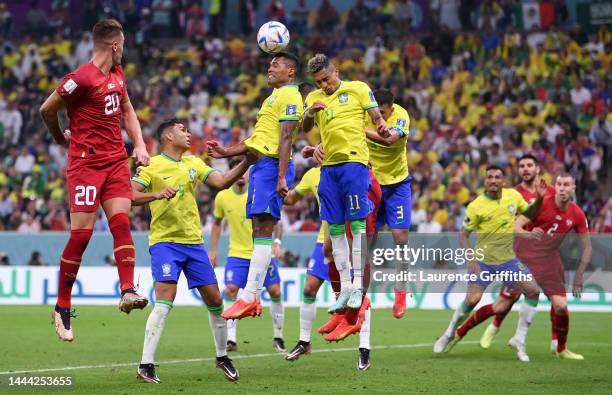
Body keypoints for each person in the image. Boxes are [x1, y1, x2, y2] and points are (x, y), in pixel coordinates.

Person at [40, 19, 150, 342]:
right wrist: (62, 140)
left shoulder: (118, 74)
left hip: (115, 162)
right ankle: (61, 305)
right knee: (82, 235)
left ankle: (128, 290)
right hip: (85, 166)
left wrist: (140, 143)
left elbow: (127, 110)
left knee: (121, 222)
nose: (124, 52)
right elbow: (47, 109)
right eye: (123, 46)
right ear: (115, 46)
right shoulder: (81, 79)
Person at [132, 119, 251, 383]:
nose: (188, 134)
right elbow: (130, 195)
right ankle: (146, 364)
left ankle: (222, 357)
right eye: (182, 130)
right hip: (165, 243)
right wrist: (157, 194)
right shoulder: (151, 165)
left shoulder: (194, 163)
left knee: (216, 301)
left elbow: (221, 181)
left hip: (194, 244)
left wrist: (248, 161)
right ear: (167, 136)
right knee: (165, 301)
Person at [206, 52, 303, 320]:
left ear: (291, 72)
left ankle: (248, 296)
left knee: (263, 228)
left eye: (277, 64)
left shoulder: (290, 96)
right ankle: (254, 295)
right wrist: (225, 151)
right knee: (257, 229)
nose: (270, 67)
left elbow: (285, 138)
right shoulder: (273, 97)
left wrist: (282, 176)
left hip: (273, 166)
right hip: (262, 166)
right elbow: (255, 140)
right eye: (270, 63)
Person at [301, 53, 388, 313]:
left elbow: (375, 116)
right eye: (319, 82)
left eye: (326, 79)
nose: (324, 86)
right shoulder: (314, 98)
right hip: (328, 169)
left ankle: (359, 286)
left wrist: (382, 125)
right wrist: (309, 111)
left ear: (336, 71)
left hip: (354, 164)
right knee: (335, 229)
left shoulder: (358, 89)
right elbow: (305, 127)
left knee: (357, 226)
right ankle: (346, 287)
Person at [433, 165, 546, 362]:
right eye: (490, 177)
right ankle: (450, 332)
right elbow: (464, 234)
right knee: (472, 301)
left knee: (533, 290)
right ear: (485, 182)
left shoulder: (513, 197)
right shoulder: (476, 206)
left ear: (503, 181)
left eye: (497, 177)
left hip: (508, 261)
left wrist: (542, 198)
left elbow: (531, 213)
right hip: (483, 262)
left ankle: (519, 339)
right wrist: (470, 258)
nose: (493, 180)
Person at [480, 173, 591, 360]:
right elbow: (517, 226)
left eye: (567, 185)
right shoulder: (541, 203)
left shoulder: (577, 213)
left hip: (549, 263)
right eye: (560, 184)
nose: (563, 188)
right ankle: (484, 329)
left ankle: (560, 348)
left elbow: (587, 247)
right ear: (555, 187)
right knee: (502, 305)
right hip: (525, 258)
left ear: (573, 189)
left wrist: (580, 275)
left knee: (561, 306)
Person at [283, 162, 377, 371]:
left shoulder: (349, 168)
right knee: (309, 288)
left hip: (348, 239)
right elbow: (291, 198)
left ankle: (364, 349)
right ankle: (304, 341)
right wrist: (277, 183)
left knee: (358, 295)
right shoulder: (312, 174)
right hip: (324, 239)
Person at [211, 160, 286, 353]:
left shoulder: (258, 190)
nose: (242, 175)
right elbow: (217, 223)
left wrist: (277, 243)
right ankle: (231, 339)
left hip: (261, 253)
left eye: (245, 170)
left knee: (275, 292)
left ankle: (278, 336)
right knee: (230, 289)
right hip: (236, 254)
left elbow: (276, 222)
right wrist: (212, 250)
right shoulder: (222, 197)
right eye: (239, 170)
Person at [364, 89, 412, 319]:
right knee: (367, 240)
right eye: (376, 112)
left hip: (396, 184)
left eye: (382, 113)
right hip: (371, 182)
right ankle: (360, 291)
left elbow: (390, 138)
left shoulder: (401, 116)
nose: (378, 117)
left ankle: (401, 291)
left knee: (401, 238)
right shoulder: (364, 112)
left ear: (391, 109)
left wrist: (359, 131)